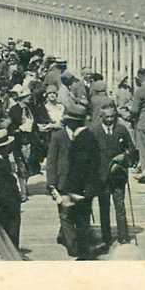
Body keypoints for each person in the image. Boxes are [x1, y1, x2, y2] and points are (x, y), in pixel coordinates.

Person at [59, 104, 105, 260]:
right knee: (82, 219)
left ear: (72, 122)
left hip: (82, 188)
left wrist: (70, 190)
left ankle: (84, 253)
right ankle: (85, 251)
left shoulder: (82, 140)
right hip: (87, 187)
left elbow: (79, 168)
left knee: (81, 221)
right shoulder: (88, 136)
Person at [90, 101, 135, 245]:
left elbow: (132, 150)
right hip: (101, 176)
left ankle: (123, 236)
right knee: (104, 207)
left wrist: (125, 156)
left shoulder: (121, 130)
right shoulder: (94, 131)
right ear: (101, 117)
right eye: (107, 117)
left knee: (120, 206)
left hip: (118, 175)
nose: (110, 120)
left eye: (113, 117)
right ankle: (106, 237)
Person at [45, 105, 77, 256]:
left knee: (76, 210)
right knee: (65, 212)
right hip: (62, 180)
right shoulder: (58, 136)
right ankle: (71, 245)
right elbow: (51, 161)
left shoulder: (84, 135)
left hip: (79, 180)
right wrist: (51, 183)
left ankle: (63, 234)